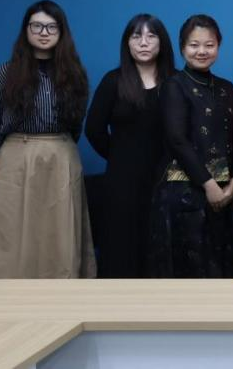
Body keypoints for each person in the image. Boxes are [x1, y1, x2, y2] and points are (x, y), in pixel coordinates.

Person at [0, 0, 96, 278]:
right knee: (9, 231)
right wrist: (15, 151)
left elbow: (77, 122)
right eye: (36, 26)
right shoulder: (4, 74)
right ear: (26, 30)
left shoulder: (75, 75)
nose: (44, 32)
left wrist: (57, 146)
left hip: (61, 156)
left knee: (59, 232)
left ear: (62, 31)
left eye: (51, 26)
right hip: (15, 158)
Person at [149, 14, 233, 278]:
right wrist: (209, 185)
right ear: (182, 48)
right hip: (184, 193)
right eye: (194, 45)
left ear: (218, 46)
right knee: (189, 273)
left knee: (221, 269)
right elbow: (177, 140)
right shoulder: (174, 86)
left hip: (223, 194)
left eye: (209, 45)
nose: (202, 51)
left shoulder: (226, 88)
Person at [84, 14, 176, 278]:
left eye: (151, 36)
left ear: (162, 42)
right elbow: (93, 130)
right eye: (136, 36)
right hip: (122, 180)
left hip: (167, 179)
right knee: (121, 248)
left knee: (163, 247)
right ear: (127, 43)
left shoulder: (176, 82)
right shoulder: (113, 81)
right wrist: (119, 157)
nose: (143, 43)